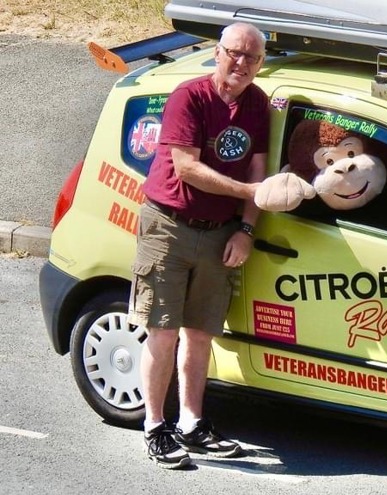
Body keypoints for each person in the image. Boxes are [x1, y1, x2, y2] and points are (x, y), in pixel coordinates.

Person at [127, 21, 270, 469]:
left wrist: (246, 230)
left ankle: (191, 423)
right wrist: (249, 197)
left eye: (252, 57)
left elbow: (258, 172)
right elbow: (186, 168)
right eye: (235, 53)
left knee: (201, 333)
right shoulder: (189, 97)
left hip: (219, 231)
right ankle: (155, 426)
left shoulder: (257, 104)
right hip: (168, 227)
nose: (242, 63)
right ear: (217, 52)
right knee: (163, 331)